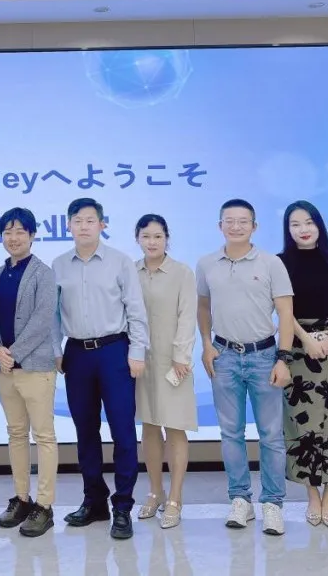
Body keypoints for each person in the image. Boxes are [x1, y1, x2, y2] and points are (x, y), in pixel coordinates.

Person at [51, 197, 150, 540]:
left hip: (114, 351)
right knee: (85, 431)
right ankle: (94, 501)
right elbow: (53, 314)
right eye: (77, 220)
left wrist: (137, 352)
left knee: (123, 431)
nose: (83, 226)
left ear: (102, 224)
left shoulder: (120, 262)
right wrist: (56, 350)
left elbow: (136, 310)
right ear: (68, 225)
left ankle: (122, 506)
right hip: (77, 354)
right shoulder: (59, 265)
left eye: (90, 220)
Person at [196, 198, 294, 536]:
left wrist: (283, 358)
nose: (236, 226)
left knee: (271, 435)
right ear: (220, 225)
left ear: (254, 226)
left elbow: (285, 313)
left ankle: (273, 504)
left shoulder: (271, 263)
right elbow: (203, 306)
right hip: (224, 356)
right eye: (229, 221)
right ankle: (240, 500)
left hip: (264, 356)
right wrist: (206, 344)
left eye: (243, 221)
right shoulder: (206, 264)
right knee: (230, 433)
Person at [277, 200, 328, 528]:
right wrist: (306, 340)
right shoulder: (280, 264)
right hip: (295, 349)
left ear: (319, 225)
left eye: (308, 222)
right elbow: (283, 311)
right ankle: (311, 496)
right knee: (302, 425)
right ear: (288, 229)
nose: (303, 229)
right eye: (295, 224)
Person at [0, 207, 59, 538]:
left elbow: (43, 320)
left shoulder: (44, 273)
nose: (13, 238)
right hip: (4, 369)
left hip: (35, 368)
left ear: (32, 235)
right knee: (16, 434)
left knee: (43, 436)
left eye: (20, 231)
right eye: (7, 232)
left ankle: (45, 505)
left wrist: (12, 353)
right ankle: (21, 499)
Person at [133, 214, 198, 530]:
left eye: (158, 236)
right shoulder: (131, 272)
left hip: (174, 362)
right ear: (138, 239)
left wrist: (181, 356)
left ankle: (175, 497)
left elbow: (188, 316)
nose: (152, 242)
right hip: (141, 361)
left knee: (174, 427)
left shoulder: (182, 273)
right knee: (149, 425)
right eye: (146, 236)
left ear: (167, 239)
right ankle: (155, 491)